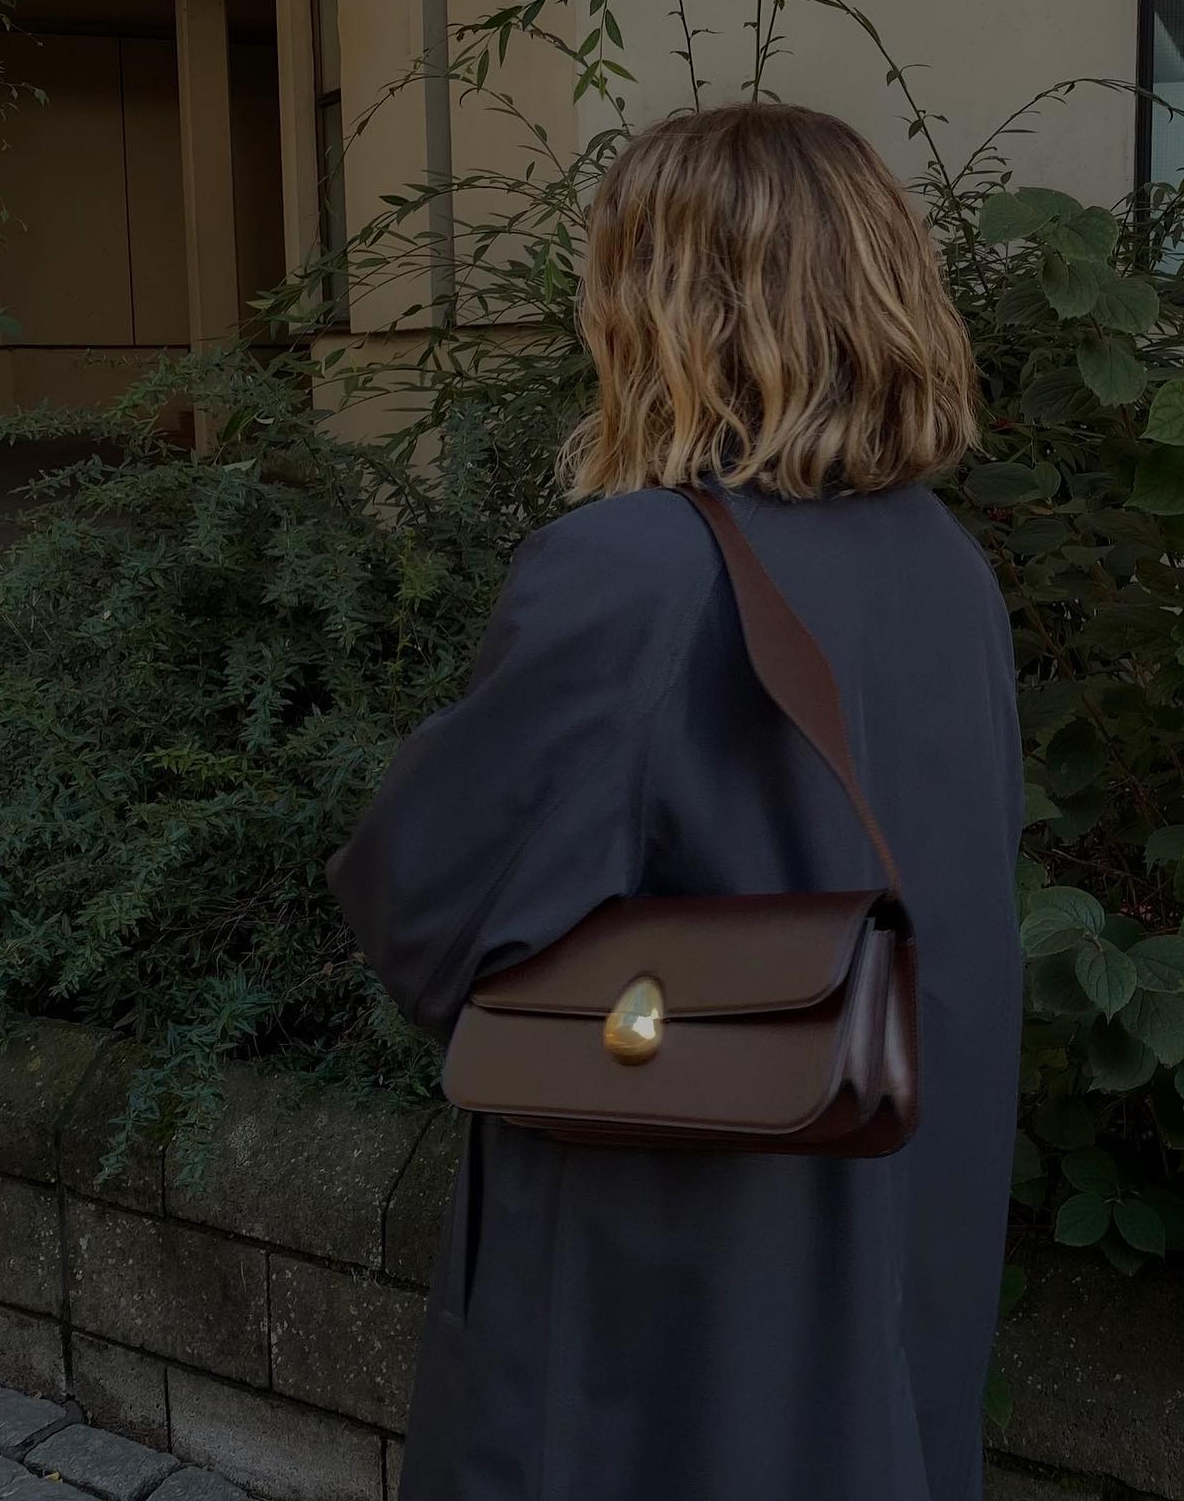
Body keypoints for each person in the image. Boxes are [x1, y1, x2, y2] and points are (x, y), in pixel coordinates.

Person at [328, 101, 1024, 1501]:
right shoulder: (944, 563)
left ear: (658, 308)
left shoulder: (636, 567)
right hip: (895, 1213)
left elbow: (429, 904)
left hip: (672, 1263)